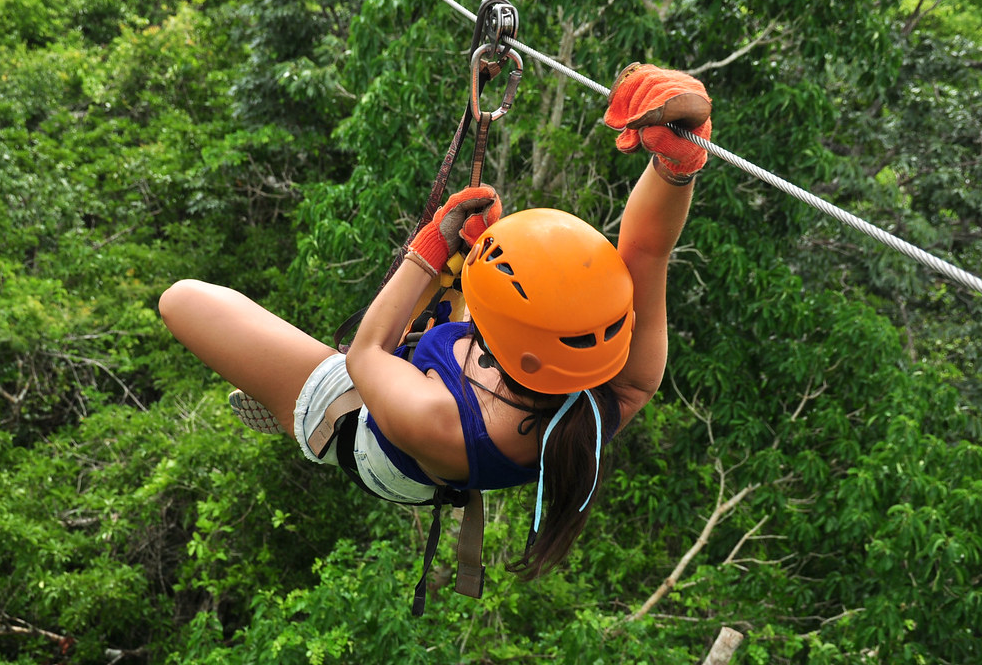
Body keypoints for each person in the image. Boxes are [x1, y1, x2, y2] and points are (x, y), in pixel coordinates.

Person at [158, 63, 712, 581]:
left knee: (186, 300)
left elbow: (367, 353)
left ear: (494, 343)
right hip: (460, 393)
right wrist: (675, 162)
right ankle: (296, 384)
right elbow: (645, 253)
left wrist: (428, 251)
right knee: (425, 327)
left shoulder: (435, 418)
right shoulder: (619, 381)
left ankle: (293, 412)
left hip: (374, 435)